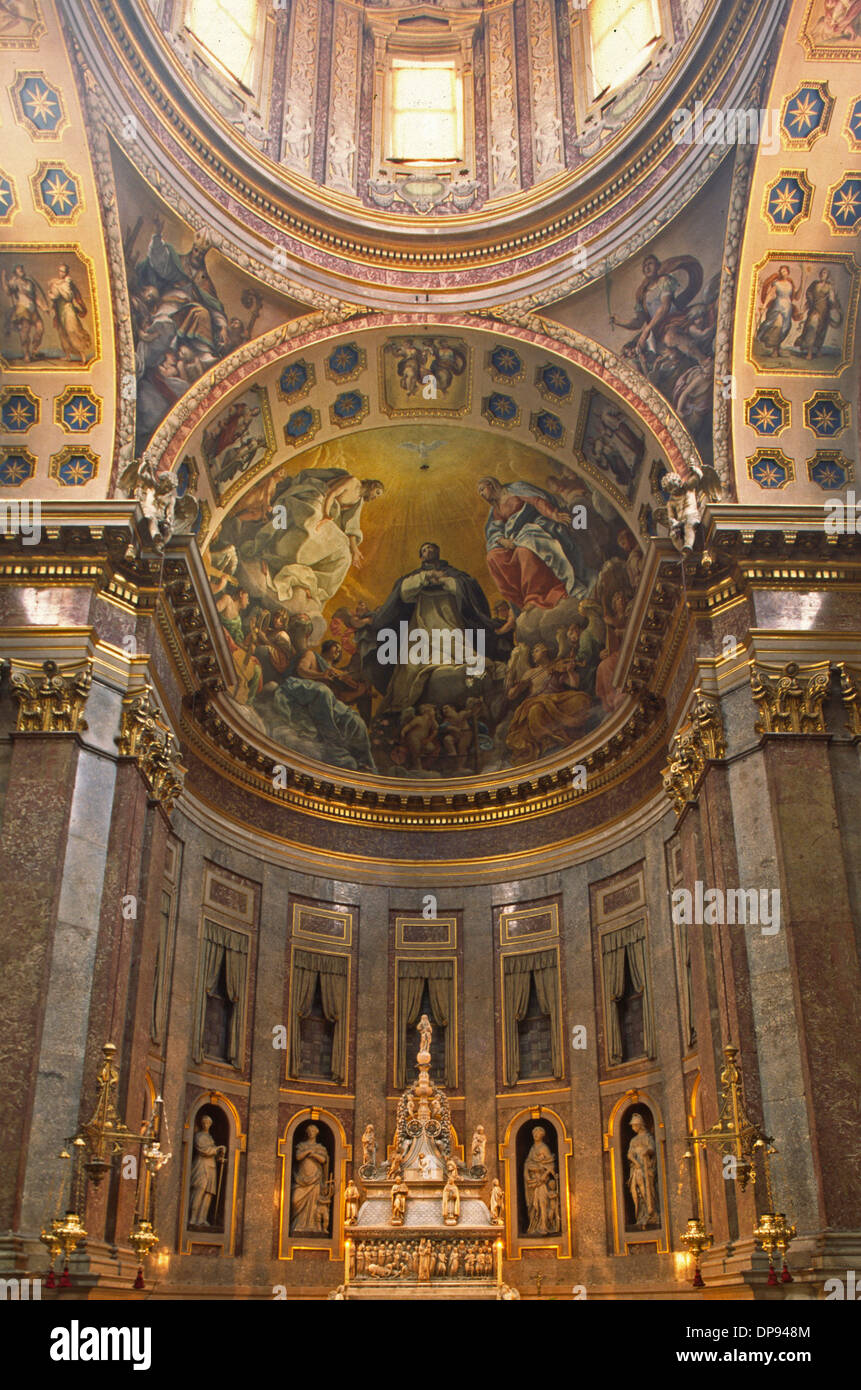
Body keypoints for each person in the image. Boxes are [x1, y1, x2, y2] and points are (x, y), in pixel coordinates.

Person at [360, 542, 500, 714]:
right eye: (425, 549)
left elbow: (468, 588)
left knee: (459, 649)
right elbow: (402, 592)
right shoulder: (416, 576)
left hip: (450, 621)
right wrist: (424, 578)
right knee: (411, 665)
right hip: (422, 623)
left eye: (432, 549)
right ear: (421, 556)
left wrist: (446, 581)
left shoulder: (454, 574)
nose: (429, 551)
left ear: (438, 552)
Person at [477, 477, 586, 611]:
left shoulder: (515, 489)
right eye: (480, 492)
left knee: (524, 551)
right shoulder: (495, 509)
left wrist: (554, 514)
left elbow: (537, 501)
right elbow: (494, 531)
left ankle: (535, 596)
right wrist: (503, 541)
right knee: (493, 557)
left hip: (534, 526)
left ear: (491, 485)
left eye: (482, 489)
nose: (482, 494)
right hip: (514, 538)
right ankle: (519, 600)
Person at [795, 266, 843, 361]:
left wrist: (832, 296)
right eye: (821, 272)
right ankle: (809, 352)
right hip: (814, 311)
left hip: (824, 312)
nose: (822, 274)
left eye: (825, 273)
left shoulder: (830, 286)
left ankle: (818, 350)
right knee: (811, 329)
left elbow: (832, 302)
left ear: (827, 275)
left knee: (821, 331)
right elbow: (809, 301)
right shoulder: (814, 284)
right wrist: (803, 311)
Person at [1, 263, 47, 361]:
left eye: (21, 269)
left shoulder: (29, 282)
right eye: (19, 270)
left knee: (40, 328)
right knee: (25, 332)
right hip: (23, 309)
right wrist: (3, 278)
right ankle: (26, 354)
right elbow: (8, 292)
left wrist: (43, 307)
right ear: (15, 272)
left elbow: (35, 297)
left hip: (33, 309)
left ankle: (34, 350)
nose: (21, 270)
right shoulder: (15, 281)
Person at [290, 1123, 330, 1233]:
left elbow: (323, 1160)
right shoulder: (302, 1146)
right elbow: (298, 1157)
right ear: (307, 1133)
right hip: (301, 1180)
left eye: (313, 1131)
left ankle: (313, 1228)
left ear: (316, 1133)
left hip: (316, 1180)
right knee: (294, 1201)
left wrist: (313, 1154)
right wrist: (308, 1151)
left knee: (314, 1207)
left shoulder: (320, 1148)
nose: (311, 1133)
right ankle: (297, 1225)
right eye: (309, 1131)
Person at [48, 263, 92, 362]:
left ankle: (83, 357)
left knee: (73, 330)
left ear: (67, 272)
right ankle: (67, 355)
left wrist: (57, 288)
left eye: (63, 271)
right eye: (60, 271)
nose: (61, 273)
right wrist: (51, 295)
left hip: (68, 309)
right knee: (63, 332)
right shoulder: (58, 283)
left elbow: (68, 297)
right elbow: (55, 297)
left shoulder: (67, 282)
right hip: (60, 310)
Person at [756, 265, 801, 357]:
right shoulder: (776, 283)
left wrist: (803, 280)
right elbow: (770, 294)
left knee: (785, 327)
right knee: (778, 325)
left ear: (788, 272)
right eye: (781, 271)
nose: (782, 273)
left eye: (784, 271)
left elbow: (797, 296)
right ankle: (775, 350)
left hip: (787, 308)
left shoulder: (790, 284)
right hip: (777, 307)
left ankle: (777, 347)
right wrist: (764, 306)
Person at [188, 1114, 225, 1227]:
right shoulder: (199, 1136)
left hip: (211, 1167)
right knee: (199, 1190)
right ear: (201, 1123)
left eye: (208, 1123)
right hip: (201, 1165)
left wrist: (220, 1156)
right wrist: (217, 1149)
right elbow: (203, 1150)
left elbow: (213, 1153)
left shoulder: (210, 1137)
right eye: (204, 1122)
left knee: (208, 1194)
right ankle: (193, 1218)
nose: (206, 1124)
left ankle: (202, 1218)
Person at [523, 1126, 560, 1235]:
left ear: (542, 1135)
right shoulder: (533, 1148)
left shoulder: (544, 1147)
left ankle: (544, 1225)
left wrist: (544, 1175)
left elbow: (550, 1165)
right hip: (533, 1182)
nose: (535, 1135)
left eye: (538, 1133)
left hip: (541, 1182)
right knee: (534, 1205)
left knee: (542, 1204)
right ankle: (535, 1225)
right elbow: (527, 1163)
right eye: (534, 1133)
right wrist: (529, 1171)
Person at [627, 1112, 659, 1228]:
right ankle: (641, 1215)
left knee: (648, 1190)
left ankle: (651, 1214)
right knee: (638, 1193)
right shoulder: (633, 1140)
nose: (632, 1127)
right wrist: (636, 1163)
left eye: (634, 1125)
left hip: (647, 1167)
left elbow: (652, 1149)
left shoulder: (648, 1137)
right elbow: (629, 1154)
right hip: (637, 1169)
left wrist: (647, 1152)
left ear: (639, 1125)